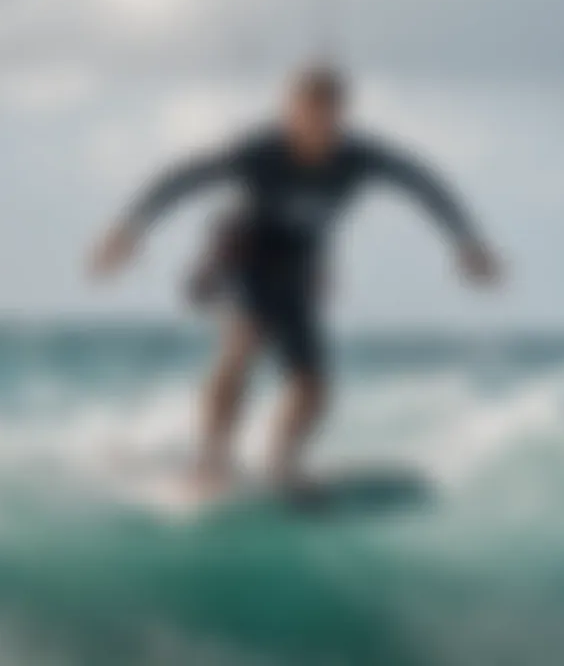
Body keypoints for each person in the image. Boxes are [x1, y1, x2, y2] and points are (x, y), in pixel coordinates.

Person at [89, 65, 500, 497]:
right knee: (243, 343)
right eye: (306, 114)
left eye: (328, 116)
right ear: (289, 112)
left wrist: (466, 242)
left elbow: (423, 183)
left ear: (341, 116)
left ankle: (282, 466)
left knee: (313, 385)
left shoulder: (359, 158)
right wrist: (128, 230)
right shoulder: (258, 152)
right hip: (243, 258)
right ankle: (211, 461)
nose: (317, 126)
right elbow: (182, 179)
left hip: (298, 271)